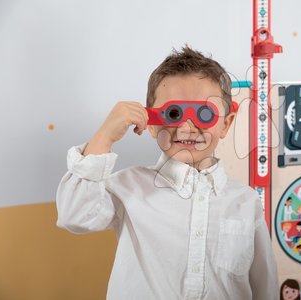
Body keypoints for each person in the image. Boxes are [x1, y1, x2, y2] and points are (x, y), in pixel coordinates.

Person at [56, 46, 279, 299]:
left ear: (225, 124)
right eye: (174, 113)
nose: (186, 127)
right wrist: (105, 135)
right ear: (151, 123)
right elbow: (74, 215)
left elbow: (264, 283)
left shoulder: (245, 201)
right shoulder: (128, 186)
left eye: (204, 114)